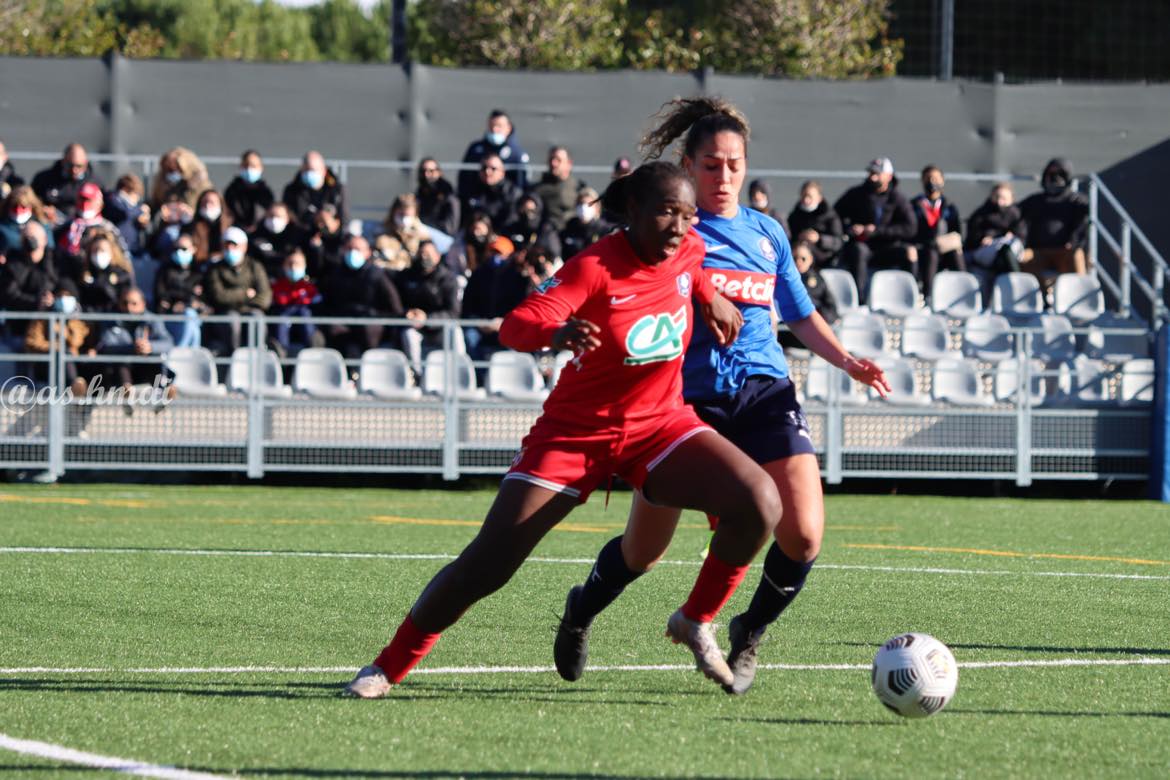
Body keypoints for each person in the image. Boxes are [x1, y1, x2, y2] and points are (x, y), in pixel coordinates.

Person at [346, 160, 781, 699]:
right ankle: (387, 666)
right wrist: (555, 332)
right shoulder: (593, 266)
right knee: (488, 565)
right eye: (667, 212)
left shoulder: (688, 248)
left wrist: (710, 296)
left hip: (659, 425)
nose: (679, 227)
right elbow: (515, 325)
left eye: (688, 215)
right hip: (576, 435)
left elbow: (691, 270)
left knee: (760, 500)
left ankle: (695, 619)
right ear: (634, 210)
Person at [553, 97, 889, 696]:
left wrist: (847, 361)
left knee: (803, 535)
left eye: (735, 164)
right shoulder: (668, 232)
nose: (724, 176)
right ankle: (582, 609)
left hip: (764, 392)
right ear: (687, 166)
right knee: (642, 552)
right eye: (711, 165)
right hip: (683, 402)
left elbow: (799, 314)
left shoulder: (768, 233)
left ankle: (748, 630)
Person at [833, 157, 918, 301]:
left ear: (888, 177)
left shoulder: (897, 198)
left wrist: (878, 231)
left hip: (888, 247)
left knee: (910, 252)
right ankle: (859, 300)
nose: (872, 177)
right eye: (871, 173)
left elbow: (910, 228)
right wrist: (851, 229)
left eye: (877, 174)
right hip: (864, 246)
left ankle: (913, 297)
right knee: (858, 251)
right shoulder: (856, 194)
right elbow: (835, 216)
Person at [317, 234, 404, 360]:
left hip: (370, 320)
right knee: (334, 332)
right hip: (343, 320)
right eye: (350, 248)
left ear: (368, 252)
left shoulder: (377, 275)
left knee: (369, 331)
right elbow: (327, 302)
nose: (353, 252)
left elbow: (394, 305)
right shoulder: (335, 274)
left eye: (358, 249)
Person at [1018, 158, 1089, 285]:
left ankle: (1081, 292)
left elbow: (1082, 224)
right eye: (1051, 174)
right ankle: (1042, 292)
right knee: (1022, 256)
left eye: (1060, 174)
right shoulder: (1034, 201)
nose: (1055, 179)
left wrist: (1073, 242)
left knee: (1077, 255)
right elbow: (1013, 214)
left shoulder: (1076, 201)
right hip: (1038, 252)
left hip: (1064, 252)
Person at [397, 240, 462, 376]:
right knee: (408, 335)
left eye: (428, 254)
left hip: (440, 326)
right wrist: (407, 313)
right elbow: (397, 305)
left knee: (455, 332)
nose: (424, 257)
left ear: (437, 256)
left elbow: (453, 312)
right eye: (421, 253)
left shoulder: (448, 279)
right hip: (415, 326)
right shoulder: (407, 276)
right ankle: (417, 375)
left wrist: (427, 319)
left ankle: (460, 372)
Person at [204, 226, 272, 354]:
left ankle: (258, 354)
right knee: (232, 319)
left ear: (244, 247)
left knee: (257, 317)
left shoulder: (255, 266)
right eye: (227, 246)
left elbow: (265, 297)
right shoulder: (215, 269)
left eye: (234, 245)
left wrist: (237, 300)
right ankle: (233, 355)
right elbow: (219, 296)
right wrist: (245, 294)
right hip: (226, 312)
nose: (230, 249)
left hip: (250, 310)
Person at [460, 236, 527, 362]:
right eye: (492, 252)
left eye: (499, 253)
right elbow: (468, 306)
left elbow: (522, 308)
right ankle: (478, 373)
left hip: (506, 325)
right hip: (481, 324)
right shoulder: (478, 274)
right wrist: (479, 322)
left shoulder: (517, 277)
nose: (495, 256)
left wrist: (503, 322)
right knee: (470, 338)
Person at [94, 286, 174, 390]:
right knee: (121, 363)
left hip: (147, 367)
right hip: (121, 371)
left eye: (134, 303)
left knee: (156, 362)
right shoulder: (110, 321)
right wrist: (132, 348)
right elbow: (105, 347)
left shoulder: (153, 320)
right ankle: (127, 391)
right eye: (125, 303)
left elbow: (168, 343)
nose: (129, 308)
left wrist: (150, 347)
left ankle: (164, 391)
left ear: (143, 304)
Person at [910, 165, 965, 297]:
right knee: (931, 254)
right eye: (928, 178)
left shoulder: (949, 207)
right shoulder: (914, 205)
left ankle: (964, 292)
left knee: (956, 254)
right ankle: (927, 296)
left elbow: (957, 231)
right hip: (924, 249)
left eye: (935, 178)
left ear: (942, 181)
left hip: (944, 249)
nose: (932, 182)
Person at [965, 182, 1027, 286]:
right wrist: (987, 238)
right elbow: (973, 236)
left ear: (1011, 199)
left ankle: (1016, 286)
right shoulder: (981, 214)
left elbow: (1021, 236)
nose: (999, 201)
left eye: (1004, 198)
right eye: (997, 197)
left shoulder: (1016, 214)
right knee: (1003, 251)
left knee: (1007, 250)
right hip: (985, 251)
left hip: (1010, 250)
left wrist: (1010, 236)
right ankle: (1018, 285)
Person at [458, 109, 531, 195]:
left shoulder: (517, 154)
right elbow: (464, 178)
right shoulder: (476, 149)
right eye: (491, 126)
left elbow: (521, 184)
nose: (494, 129)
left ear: (509, 128)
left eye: (499, 126)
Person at [780, 241, 838, 350]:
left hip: (813, 331)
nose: (799, 262)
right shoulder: (782, 280)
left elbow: (830, 306)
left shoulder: (818, 279)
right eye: (795, 258)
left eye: (803, 258)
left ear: (810, 259)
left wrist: (823, 318)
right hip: (788, 332)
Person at [153, 232, 206, 348]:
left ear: (193, 249)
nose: (179, 252)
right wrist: (189, 294)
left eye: (184, 249)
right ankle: (187, 353)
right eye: (176, 248)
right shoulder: (165, 271)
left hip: (194, 317)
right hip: (170, 317)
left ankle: (179, 351)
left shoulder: (199, 272)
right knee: (192, 324)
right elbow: (161, 296)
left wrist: (185, 303)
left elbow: (203, 300)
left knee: (190, 315)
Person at [268, 247, 322, 355]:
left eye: (297, 264)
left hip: (304, 321)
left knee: (304, 314)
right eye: (290, 264)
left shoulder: (310, 287)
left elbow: (316, 302)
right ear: (284, 266)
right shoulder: (277, 286)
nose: (293, 267)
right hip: (284, 319)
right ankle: (281, 352)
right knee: (282, 319)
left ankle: (313, 351)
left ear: (304, 266)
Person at [31, 143, 102, 224]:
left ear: (86, 163)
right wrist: (42, 210)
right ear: (63, 161)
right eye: (70, 165)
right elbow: (32, 201)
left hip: (85, 224)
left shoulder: (94, 182)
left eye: (79, 166)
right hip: (50, 224)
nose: (74, 170)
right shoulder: (44, 179)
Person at [786, 180, 844, 269]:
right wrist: (799, 237)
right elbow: (789, 236)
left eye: (809, 196)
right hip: (798, 253)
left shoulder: (830, 216)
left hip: (823, 258)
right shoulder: (795, 215)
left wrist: (819, 239)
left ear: (819, 198)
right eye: (804, 196)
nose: (806, 200)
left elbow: (838, 242)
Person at [282, 150, 347, 226]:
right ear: (301, 169)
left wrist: (331, 225)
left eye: (313, 170)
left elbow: (344, 219)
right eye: (306, 170)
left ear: (324, 170)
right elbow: (291, 221)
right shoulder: (292, 190)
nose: (309, 173)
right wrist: (315, 219)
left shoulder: (337, 190)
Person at [77, 229, 134, 313]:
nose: (98, 253)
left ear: (112, 251)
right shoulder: (84, 273)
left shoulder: (123, 273)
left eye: (102, 250)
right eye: (95, 250)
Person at [460, 153, 519, 232]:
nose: (487, 172)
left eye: (493, 169)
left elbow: (510, 221)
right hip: (473, 234)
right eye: (484, 168)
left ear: (502, 173)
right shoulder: (470, 189)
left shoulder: (512, 192)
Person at [533, 146, 587, 231]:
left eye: (558, 160)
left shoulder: (579, 188)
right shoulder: (538, 189)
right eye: (551, 159)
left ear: (569, 163)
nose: (553, 163)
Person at [224, 150, 275, 231]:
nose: (249, 169)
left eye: (253, 166)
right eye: (246, 165)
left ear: (261, 168)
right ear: (241, 166)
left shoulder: (267, 193)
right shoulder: (231, 191)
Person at [149, 147, 212, 211]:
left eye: (176, 168)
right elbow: (156, 202)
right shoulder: (161, 185)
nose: (173, 173)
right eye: (170, 170)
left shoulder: (200, 185)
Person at [559, 187, 614, 260]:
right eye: (581, 204)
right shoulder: (569, 228)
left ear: (597, 208)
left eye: (589, 204)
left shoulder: (605, 230)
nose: (583, 207)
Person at [0, 185, 55, 257]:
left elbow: (49, 249)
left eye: (23, 207)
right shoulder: (2, 225)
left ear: (31, 206)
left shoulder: (42, 225)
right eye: (15, 206)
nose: (18, 211)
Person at [503, 191, 561, 259]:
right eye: (524, 210)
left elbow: (554, 253)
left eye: (532, 211)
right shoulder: (513, 228)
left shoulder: (546, 229)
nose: (528, 215)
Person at [415, 158, 460, 237]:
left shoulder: (449, 196)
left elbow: (450, 228)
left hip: (444, 236)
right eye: (423, 171)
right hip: (423, 232)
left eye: (431, 171)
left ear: (439, 172)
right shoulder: (419, 194)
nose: (426, 175)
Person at [189, 189, 232, 266]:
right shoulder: (191, 226)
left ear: (220, 204)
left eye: (212, 202)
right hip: (199, 265)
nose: (208, 206)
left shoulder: (230, 225)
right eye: (204, 202)